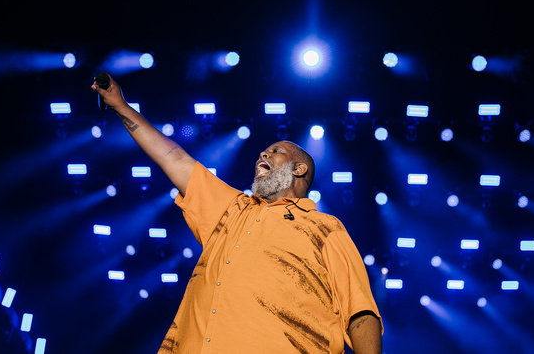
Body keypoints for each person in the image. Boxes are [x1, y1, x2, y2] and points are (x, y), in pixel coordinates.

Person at [92, 74, 383, 354]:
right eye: (263, 152)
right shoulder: (233, 209)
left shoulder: (324, 227)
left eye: (276, 151)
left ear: (299, 169)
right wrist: (121, 105)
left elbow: (360, 313)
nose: (263, 155)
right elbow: (174, 159)